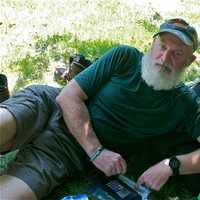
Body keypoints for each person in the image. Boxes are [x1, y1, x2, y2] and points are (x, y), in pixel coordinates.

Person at [0, 18, 199, 200]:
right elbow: (68, 96)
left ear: (189, 61)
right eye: (162, 46)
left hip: (66, 152)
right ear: (152, 44)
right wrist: (96, 151)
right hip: (48, 105)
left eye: (177, 53)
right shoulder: (125, 57)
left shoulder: (184, 104)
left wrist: (171, 166)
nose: (164, 58)